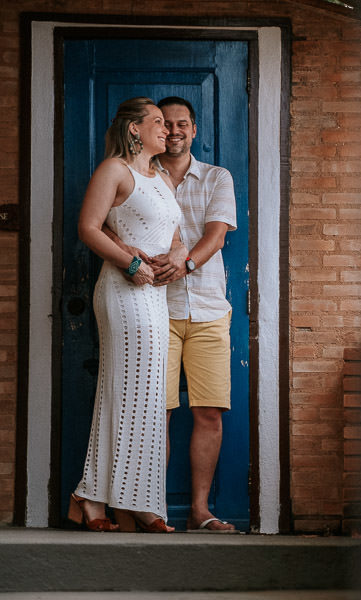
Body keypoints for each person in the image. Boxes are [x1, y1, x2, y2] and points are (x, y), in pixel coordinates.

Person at [70, 97, 180, 533]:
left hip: (156, 295)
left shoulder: (164, 178)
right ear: (134, 129)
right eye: (157, 122)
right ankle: (112, 501)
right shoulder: (115, 169)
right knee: (125, 391)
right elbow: (88, 227)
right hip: (122, 290)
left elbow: (173, 235)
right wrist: (129, 263)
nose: (166, 130)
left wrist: (176, 255)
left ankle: (108, 499)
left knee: (148, 397)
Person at [148, 96, 238, 533]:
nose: (175, 130)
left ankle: (200, 511)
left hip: (207, 309)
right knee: (156, 412)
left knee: (208, 412)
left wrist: (183, 263)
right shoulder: (141, 175)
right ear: (156, 129)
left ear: (194, 129)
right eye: (167, 124)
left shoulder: (218, 177)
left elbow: (216, 236)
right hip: (153, 310)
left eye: (183, 123)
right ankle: (154, 510)